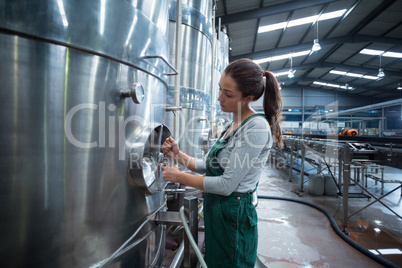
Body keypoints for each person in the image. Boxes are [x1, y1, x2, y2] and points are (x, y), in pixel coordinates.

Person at [161, 58, 283, 267]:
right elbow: (209, 165)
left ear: (248, 98)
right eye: (220, 89)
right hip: (218, 210)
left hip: (234, 213)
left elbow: (226, 185)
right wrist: (177, 155)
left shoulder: (256, 128)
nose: (219, 98)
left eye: (228, 94)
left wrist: (179, 177)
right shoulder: (232, 123)